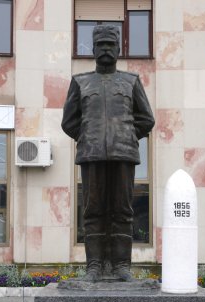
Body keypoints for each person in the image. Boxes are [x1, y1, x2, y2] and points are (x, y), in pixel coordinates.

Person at [61, 25, 155, 282]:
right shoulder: (80, 82)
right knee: (93, 210)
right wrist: (87, 136)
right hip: (92, 156)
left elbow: (147, 119)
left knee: (122, 210)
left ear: (119, 49)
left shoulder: (131, 81)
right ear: (92, 49)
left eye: (110, 45)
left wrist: (126, 135)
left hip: (123, 155)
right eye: (100, 45)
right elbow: (69, 122)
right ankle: (94, 266)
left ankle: (121, 265)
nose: (105, 49)